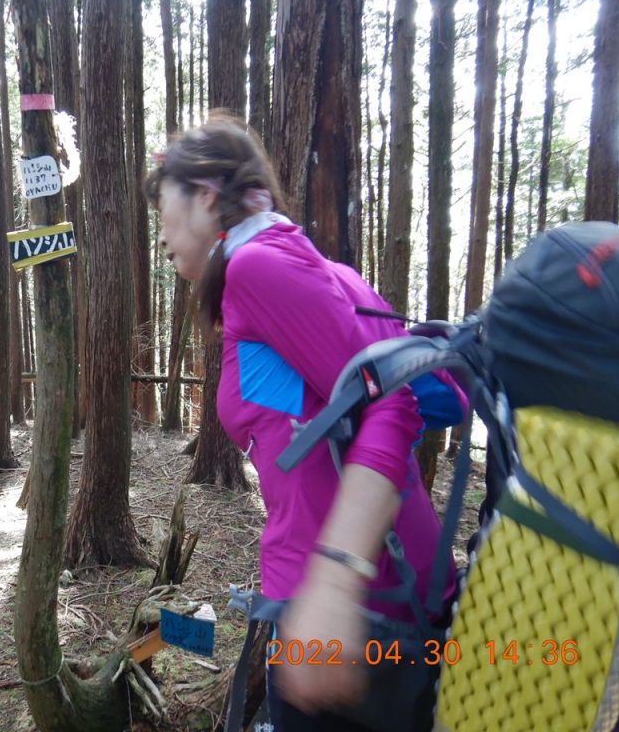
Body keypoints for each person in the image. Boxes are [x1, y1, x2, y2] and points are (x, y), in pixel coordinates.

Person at [144, 114, 462, 731]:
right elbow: (317, 413)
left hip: (361, 614)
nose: (160, 237)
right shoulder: (304, 267)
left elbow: (390, 402)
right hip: (368, 598)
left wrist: (335, 584)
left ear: (206, 194)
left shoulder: (256, 267)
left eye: (162, 212)